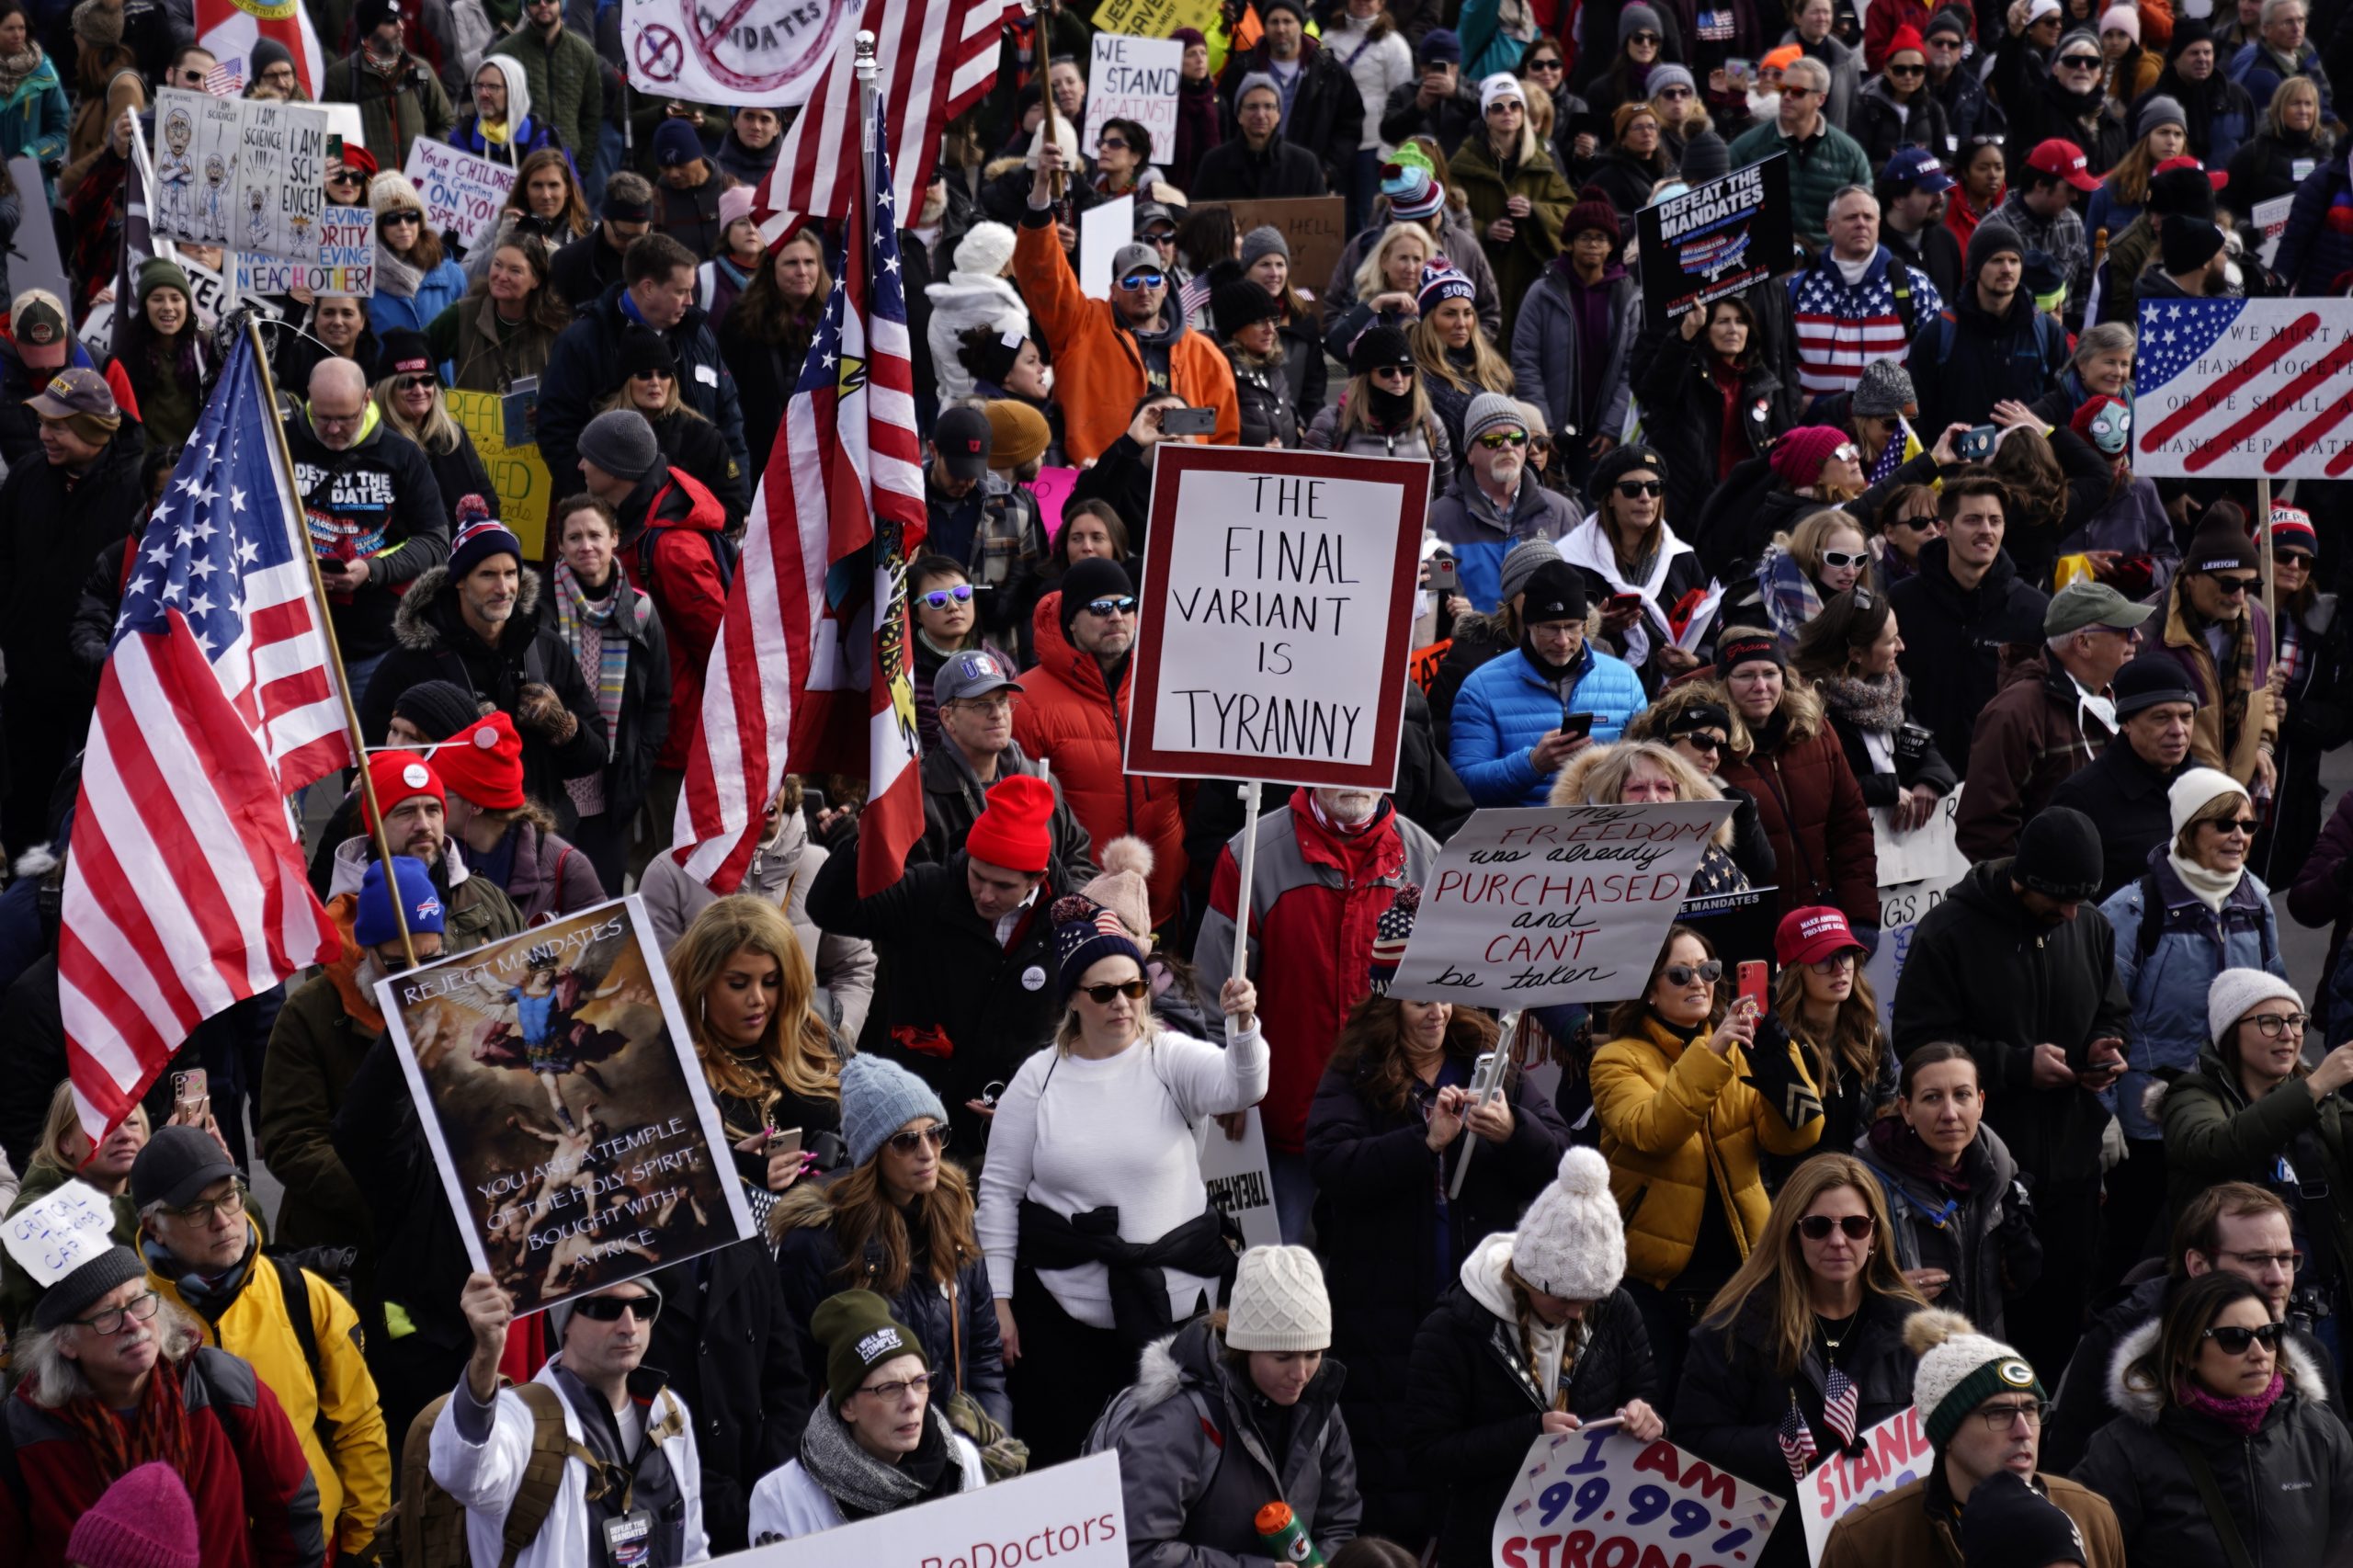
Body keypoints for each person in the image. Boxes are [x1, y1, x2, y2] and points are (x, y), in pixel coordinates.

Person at [1305, 889, 1571, 1540]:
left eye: (1447, 995)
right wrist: (1422, 1143)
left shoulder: (1492, 1060)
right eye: (1422, 999)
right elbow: (1333, 1165)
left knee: (1480, 1459)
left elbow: (1561, 1156)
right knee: (1393, 1468)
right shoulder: (1356, 1070)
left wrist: (1512, 1131)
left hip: (1480, 1306)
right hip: (1385, 1309)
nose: (1438, 1012)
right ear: (1389, 1000)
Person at [974, 889, 1267, 1465]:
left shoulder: (1170, 1055)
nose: (1122, 1004)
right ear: (1073, 1001)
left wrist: (1243, 1026)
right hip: (1065, 1320)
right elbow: (1000, 1194)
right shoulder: (1039, 1076)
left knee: (1180, 1463)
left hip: (1180, 1315)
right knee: (1076, 1461)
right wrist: (1000, 1300)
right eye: (1103, 991)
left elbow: (1243, 1087)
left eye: (1133, 987)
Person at [1891, 805, 2131, 1378]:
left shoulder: (2089, 925)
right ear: (2025, 882)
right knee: (1996, 1325)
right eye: (2061, 900)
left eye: (2083, 899)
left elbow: (2110, 1008)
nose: (2072, 913)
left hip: (2073, 1162)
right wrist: (2016, 1066)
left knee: (2064, 1315)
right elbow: (1919, 1041)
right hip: (1987, 1169)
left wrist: (2103, 1045)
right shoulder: (1949, 933)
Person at [1194, 786, 1440, 1242]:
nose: (1353, 780)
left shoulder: (1426, 858)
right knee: (1274, 1273)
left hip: (1389, 1121)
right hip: (1281, 1123)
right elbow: (1213, 987)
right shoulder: (1250, 855)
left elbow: (1443, 993)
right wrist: (1225, 1083)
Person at [131, 1128, 389, 1562]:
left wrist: (364, 1546)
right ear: (153, 1226)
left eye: (229, 1195)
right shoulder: (133, 1320)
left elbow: (359, 1427)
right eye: (197, 1209)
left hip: (312, 1544)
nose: (223, 1220)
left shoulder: (304, 1295)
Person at [1403, 1145, 1665, 1568]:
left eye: (1590, 1299)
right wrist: (1529, 1434)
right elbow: (1426, 1454)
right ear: (1526, 1276)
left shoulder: (1615, 1308)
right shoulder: (1454, 1327)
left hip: (1587, 1538)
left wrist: (1645, 1415)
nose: (1578, 1312)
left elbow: (1644, 1391)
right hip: (1487, 1540)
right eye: (1564, 1298)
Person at [1591, 924, 1824, 1388]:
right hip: (1653, 1282)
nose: (1698, 983)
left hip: (1742, 1266)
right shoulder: (1617, 1059)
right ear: (1650, 991)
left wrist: (1778, 1056)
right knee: (1664, 1416)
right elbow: (1653, 1130)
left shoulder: (1738, 1048)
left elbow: (1797, 1137)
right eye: (1680, 974)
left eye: (1709, 970)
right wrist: (1711, 1052)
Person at [0, 1239, 325, 1567]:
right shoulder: (21, 1433)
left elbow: (292, 1514)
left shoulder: (225, 1387)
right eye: (107, 1315)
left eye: (138, 1301)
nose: (133, 1324)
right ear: (65, 1342)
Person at [1677, 1157, 1927, 1566]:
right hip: (1773, 1548)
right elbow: (1692, 1444)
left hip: (1880, 1547)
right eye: (1817, 1227)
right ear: (1792, 1234)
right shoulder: (1733, 1330)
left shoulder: (1916, 1333)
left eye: (1854, 1226)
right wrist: (1782, 1446)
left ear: (1875, 1237)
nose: (1837, 1241)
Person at [774, 1054, 1007, 1438]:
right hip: (861, 1459)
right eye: (905, 1141)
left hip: (953, 1452)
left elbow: (983, 1355)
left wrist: (985, 1446)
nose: (928, 1152)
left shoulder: (955, 1217)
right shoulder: (818, 1241)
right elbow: (795, 1375)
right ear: (871, 1153)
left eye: (935, 1133)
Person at [1099, 1245, 1362, 1562]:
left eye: (1313, 1354)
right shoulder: (1179, 1420)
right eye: (1283, 1357)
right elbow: (1140, 1550)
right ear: (1245, 1348)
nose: (1301, 1374)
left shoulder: (1321, 1408)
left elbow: (1339, 1525)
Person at [2075, 1270, 2353, 1562]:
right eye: (2235, 1339)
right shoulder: (2124, 1449)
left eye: (2269, 1335)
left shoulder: (2318, 1431)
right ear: (2185, 1351)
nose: (2259, 1353)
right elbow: (2082, 1550)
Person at [357, 510, 608, 825]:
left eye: (511, 573)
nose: (503, 588)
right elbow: (374, 761)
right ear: (460, 580)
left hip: (543, 839)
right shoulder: (412, 660)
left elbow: (595, 756)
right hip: (453, 844)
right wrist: (457, 741)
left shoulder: (545, 647)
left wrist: (564, 729)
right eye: (488, 575)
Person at [436, 1272, 707, 1564]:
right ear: (564, 1323)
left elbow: (691, 1549)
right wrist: (486, 1357)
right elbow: (463, 1473)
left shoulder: (668, 1410)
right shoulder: (519, 1418)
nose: (629, 1327)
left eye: (643, 1307)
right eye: (607, 1309)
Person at [1815, 1310, 2125, 1565]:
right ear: (1947, 1432)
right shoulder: (1867, 1542)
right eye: (1998, 1413)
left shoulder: (2091, 1516)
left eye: (2031, 1410)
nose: (2023, 1431)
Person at [1017, 149, 1237, 465]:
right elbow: (1042, 273)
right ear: (1113, 291)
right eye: (1131, 283)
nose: (1143, 290)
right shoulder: (1081, 325)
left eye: (1151, 281)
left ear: (1165, 286)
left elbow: (1222, 438)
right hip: (1100, 484)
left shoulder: (1204, 356)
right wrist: (1040, 198)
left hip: (1175, 491)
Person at [2162, 973, 2353, 1327]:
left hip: (2323, 1300)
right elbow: (2214, 1147)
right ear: (2231, 1031)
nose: (2289, 1034)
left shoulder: (2320, 1099)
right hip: (2230, 1308)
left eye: (2297, 1022)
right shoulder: (2192, 1094)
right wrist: (2314, 1086)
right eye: (2270, 1022)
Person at [745, 1290, 983, 1542]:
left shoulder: (960, 1462)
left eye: (919, 1382)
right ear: (848, 1406)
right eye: (890, 1388)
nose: (912, 1402)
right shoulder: (781, 1497)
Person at [540, 231, 747, 502]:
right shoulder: (583, 341)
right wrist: (597, 502)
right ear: (648, 288)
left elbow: (729, 420)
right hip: (613, 518)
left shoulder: (699, 336)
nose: (690, 301)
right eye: (681, 292)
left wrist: (738, 499)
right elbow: (557, 431)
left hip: (696, 513)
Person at [1857, 1041, 2043, 1338]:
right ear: (1906, 1109)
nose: (1950, 1113)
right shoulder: (1864, 1179)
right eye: (1932, 1098)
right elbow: (1826, 1287)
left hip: (1981, 1359)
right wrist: (1883, 1295)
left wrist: (2017, 1266)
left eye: (1962, 1095)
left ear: (1980, 1102)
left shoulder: (2002, 1169)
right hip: (1902, 1367)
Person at [1954, 581, 2151, 858]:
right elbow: (1984, 830)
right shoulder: (2014, 712)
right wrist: (2034, 894)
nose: (2138, 637)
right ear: (2083, 643)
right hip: (2058, 897)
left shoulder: (2120, 698)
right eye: (2125, 630)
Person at [671, 893, 845, 1208]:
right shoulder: (675, 1069)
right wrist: (734, 1169)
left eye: (771, 981)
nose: (758, 999)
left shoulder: (810, 1032)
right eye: (738, 984)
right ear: (700, 983)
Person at [537, 493, 670, 893]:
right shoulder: (536, 608)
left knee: (601, 905)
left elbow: (659, 700)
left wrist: (639, 761)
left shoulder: (641, 612)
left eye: (595, 534)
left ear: (615, 538)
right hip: (549, 788)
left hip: (611, 792)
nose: (585, 546)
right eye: (573, 537)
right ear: (559, 544)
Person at [1885, 468, 2050, 778]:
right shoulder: (1902, 603)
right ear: (1944, 528)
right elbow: (1886, 692)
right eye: (1973, 520)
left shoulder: (2034, 610)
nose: (1986, 530)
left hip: (2005, 782)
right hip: (1918, 784)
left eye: (1995, 520)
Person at [1449, 557, 1646, 805]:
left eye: (1572, 627)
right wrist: (1532, 764)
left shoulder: (1624, 680)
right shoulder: (1480, 688)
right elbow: (1464, 784)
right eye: (1550, 628)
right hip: (1519, 834)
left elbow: (1647, 764)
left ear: (1586, 625)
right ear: (1529, 625)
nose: (1563, 641)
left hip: (1604, 832)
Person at [1714, 629, 1879, 926]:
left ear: (1784, 676)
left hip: (1819, 917)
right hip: (1750, 925)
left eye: (1770, 672)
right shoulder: (1711, 749)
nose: (1761, 686)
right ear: (1725, 682)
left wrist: (1861, 916)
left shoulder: (1815, 732)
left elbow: (1851, 828)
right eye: (1745, 675)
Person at [1790, 585, 1956, 824]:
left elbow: (1922, 747)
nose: (1901, 647)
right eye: (1890, 641)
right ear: (1856, 654)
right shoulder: (1810, 709)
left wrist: (1930, 780)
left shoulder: (1891, 691)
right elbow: (1818, 785)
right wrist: (1885, 791)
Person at [2048, 652, 2201, 899]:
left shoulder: (2210, 786)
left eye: (2186, 716)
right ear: (2126, 722)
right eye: (2161, 718)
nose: (2178, 730)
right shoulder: (2082, 798)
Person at [1510, 191, 1638, 485]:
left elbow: (1631, 366)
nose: (1593, 244)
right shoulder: (1542, 293)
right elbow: (1525, 361)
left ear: (1611, 245)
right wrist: (1543, 427)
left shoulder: (1626, 296)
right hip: (1551, 433)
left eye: (1601, 238)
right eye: (1585, 237)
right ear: (1569, 241)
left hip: (1599, 438)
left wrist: (1612, 427)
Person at [1632, 294, 1794, 526]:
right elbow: (1655, 392)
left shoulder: (1761, 383)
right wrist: (1684, 336)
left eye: (1740, 321)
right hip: (1685, 505)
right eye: (1723, 321)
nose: (1733, 329)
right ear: (1706, 329)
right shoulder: (1687, 371)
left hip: (1738, 505)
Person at [0, 1089, 145, 1335]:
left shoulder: (145, 1191)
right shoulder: (32, 1213)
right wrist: (166, 1194)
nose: (124, 1135)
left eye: (133, 1123)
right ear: (65, 1142)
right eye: (103, 1127)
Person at [2157, 504, 2279, 790]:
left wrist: (2263, 745)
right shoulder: (2149, 627)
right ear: (2192, 578)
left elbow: (2267, 687)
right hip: (2171, 795)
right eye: (2228, 585)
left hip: (2236, 794)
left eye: (2250, 586)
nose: (2240, 597)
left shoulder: (2258, 617)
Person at [1906, 222, 2071, 433]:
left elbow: (2064, 402)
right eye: (1996, 260)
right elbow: (1917, 411)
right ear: (1976, 267)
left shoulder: (2046, 333)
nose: (2007, 269)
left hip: (2026, 461)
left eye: (2014, 260)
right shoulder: (1940, 333)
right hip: (1957, 462)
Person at [1449, 74, 1574, 340]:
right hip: (1481, 274)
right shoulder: (1462, 164)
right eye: (1498, 107)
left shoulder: (1541, 163)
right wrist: (1485, 230)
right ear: (1486, 115)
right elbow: (1447, 217)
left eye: (1515, 105)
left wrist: (1535, 211)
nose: (1507, 112)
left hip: (1528, 275)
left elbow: (1569, 212)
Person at [1771, 906, 1895, 1171]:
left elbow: (1889, 1122)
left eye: (1846, 955)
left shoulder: (1871, 1034)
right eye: (1823, 959)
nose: (1839, 969)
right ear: (1795, 971)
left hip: (1862, 1191)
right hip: (1797, 1198)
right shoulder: (1775, 1047)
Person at [1428, 393, 1576, 611]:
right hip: (1468, 642)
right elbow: (1428, 605)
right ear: (1470, 453)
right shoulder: (1436, 520)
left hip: (1545, 643)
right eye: (1493, 441)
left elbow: (1581, 595)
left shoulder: (1561, 511)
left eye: (1517, 439)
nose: (1507, 447)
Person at [596, 328, 747, 530]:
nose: (655, 383)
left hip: (685, 550)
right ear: (626, 382)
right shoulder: (602, 433)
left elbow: (733, 508)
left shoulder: (702, 435)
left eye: (664, 374)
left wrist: (679, 525)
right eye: (644, 374)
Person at [1727, 55, 1872, 247]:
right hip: (1767, 256)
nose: (1787, 97)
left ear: (1820, 98)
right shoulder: (1746, 148)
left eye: (1797, 92)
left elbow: (1865, 213)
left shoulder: (1850, 153)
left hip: (1830, 259)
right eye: (1783, 89)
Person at [369, 331, 493, 534]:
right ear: (387, 390)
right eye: (407, 383)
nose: (419, 390)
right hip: (412, 560)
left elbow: (488, 499)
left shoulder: (453, 435)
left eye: (426, 381)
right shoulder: (377, 445)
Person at [431, 232, 571, 395]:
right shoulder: (463, 314)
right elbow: (418, 354)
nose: (502, 276)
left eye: (515, 270)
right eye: (497, 265)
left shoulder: (557, 326)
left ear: (536, 280)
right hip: (467, 421)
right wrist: (443, 398)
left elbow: (573, 384)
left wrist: (546, 405)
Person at [118, 256, 211, 449]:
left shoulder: (206, 349)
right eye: (157, 299)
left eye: (176, 298)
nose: (167, 307)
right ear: (145, 306)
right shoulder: (129, 353)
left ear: (186, 304)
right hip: (149, 468)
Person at [1191, 73, 1331, 198]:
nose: (1260, 115)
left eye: (1268, 107)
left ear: (1278, 115)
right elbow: (1199, 219)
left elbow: (1321, 218)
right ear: (1239, 115)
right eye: (1252, 107)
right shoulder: (1214, 163)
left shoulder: (1305, 164)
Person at [367, 170, 468, 338]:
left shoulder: (452, 275)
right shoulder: (363, 281)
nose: (403, 226)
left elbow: (466, 340)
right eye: (393, 219)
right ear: (378, 227)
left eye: (411, 216)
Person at [1759, 509, 1875, 652]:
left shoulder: (1866, 607)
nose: (1851, 571)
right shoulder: (1759, 608)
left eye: (1860, 559)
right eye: (1838, 559)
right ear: (1811, 555)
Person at [2223, 72, 2325, 217]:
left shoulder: (2327, 153)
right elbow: (2225, 202)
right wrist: (2245, 230)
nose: (2303, 111)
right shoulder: (2254, 151)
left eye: (2308, 104)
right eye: (2295, 104)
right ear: (2280, 108)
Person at [550, 174, 654, 311]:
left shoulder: (663, 265)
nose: (630, 244)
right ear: (604, 217)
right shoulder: (566, 262)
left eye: (639, 237)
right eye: (622, 235)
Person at [2227, 0, 2334, 116]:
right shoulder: (2263, 76)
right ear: (2267, 29)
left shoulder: (2304, 52)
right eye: (2288, 22)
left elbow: (2324, 93)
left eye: (2301, 20)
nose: (2297, 29)